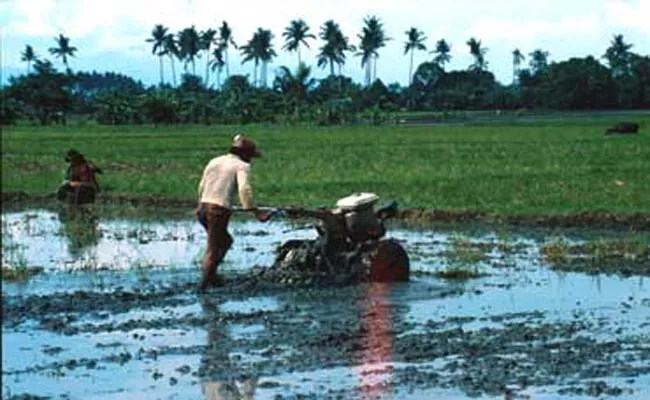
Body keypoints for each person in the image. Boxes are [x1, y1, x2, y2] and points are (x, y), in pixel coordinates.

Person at [196, 134, 269, 292]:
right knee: (213, 248)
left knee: (225, 241)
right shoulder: (242, 166)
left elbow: (202, 184)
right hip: (218, 210)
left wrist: (200, 203)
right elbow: (244, 190)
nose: (250, 159)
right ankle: (202, 287)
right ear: (244, 154)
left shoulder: (215, 161)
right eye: (250, 156)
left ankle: (212, 276)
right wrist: (256, 212)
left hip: (203, 207)